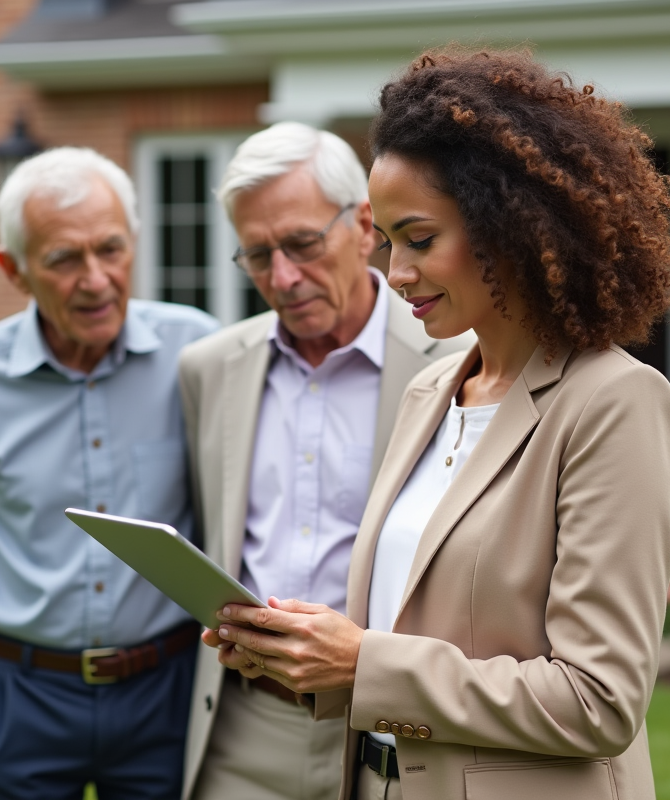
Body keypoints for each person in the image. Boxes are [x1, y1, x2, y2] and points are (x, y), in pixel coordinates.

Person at [208, 48, 670, 800]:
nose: (396, 272)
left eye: (419, 239)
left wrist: (361, 662)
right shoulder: (432, 391)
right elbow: (416, 638)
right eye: (390, 242)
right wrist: (300, 655)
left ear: (513, 227)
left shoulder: (612, 403)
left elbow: (598, 701)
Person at [0, 147, 219, 800]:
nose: (96, 279)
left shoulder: (196, 351)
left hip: (165, 695)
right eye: (63, 259)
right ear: (16, 270)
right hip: (15, 698)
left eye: (111, 249)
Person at [177, 122, 470, 800]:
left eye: (303, 244)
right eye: (256, 255)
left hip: (392, 731)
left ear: (365, 225)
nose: (283, 277)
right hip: (244, 729)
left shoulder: (461, 363)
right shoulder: (208, 369)